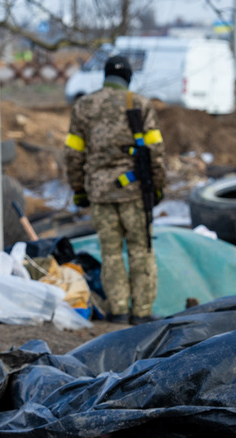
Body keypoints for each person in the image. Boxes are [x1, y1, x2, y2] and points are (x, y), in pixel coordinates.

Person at [64, 55, 166, 325]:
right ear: (129, 78)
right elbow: (155, 151)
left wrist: (78, 189)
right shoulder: (140, 104)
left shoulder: (84, 105)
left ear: (105, 75)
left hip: (99, 193)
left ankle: (118, 311)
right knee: (140, 251)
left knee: (110, 253)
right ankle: (142, 313)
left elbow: (73, 153)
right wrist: (158, 186)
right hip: (134, 192)